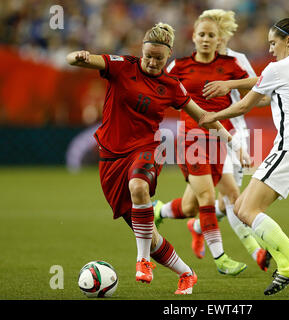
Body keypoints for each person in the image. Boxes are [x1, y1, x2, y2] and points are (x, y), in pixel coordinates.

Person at [66, 22, 245, 295]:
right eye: (148, 55)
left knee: (138, 187)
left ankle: (142, 261)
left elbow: (204, 118)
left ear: (168, 56)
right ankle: (186, 273)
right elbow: (83, 60)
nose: (152, 62)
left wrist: (233, 144)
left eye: (159, 58)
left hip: (147, 148)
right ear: (142, 50)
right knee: (149, 235)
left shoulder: (172, 85)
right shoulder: (122, 65)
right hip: (111, 156)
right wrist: (77, 57)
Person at [199, 18, 289, 299]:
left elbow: (246, 103)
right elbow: (264, 97)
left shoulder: (278, 68)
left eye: (273, 43)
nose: (270, 49)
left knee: (246, 211)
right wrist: (232, 87)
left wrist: (213, 116)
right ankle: (284, 265)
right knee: (242, 208)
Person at [154, 9, 271, 272]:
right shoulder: (180, 66)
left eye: (212, 35)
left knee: (190, 205)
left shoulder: (233, 64)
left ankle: (160, 211)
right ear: (193, 36)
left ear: (220, 39)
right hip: (193, 140)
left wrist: (275, 93)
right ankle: (232, 257)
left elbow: (257, 96)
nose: (207, 39)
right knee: (216, 196)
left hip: (224, 138)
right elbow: (158, 92)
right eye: (202, 34)